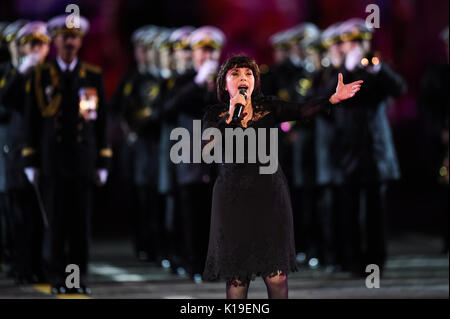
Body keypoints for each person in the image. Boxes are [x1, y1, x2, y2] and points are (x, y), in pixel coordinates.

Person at [202, 55, 363, 299]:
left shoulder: (268, 107)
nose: (243, 78)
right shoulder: (214, 115)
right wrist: (232, 116)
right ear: (224, 84)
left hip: (269, 195)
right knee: (237, 277)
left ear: (255, 82)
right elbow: (207, 148)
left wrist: (331, 99)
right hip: (232, 199)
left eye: (248, 74)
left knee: (276, 275)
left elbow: (301, 110)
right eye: (235, 74)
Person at [22, 14, 111, 294]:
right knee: (57, 226)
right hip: (52, 160)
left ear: (81, 40)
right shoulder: (41, 75)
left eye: (74, 37)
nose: (69, 42)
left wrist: (103, 159)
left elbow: (100, 121)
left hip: (82, 161)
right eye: (64, 37)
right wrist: (30, 158)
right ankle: (59, 279)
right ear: (55, 41)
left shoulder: (92, 75)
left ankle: (77, 280)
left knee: (79, 228)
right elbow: (31, 120)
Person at [332, 18, 406, 276]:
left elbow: (399, 88)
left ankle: (376, 263)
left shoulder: (376, 68)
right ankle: (354, 263)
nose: (356, 46)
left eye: (361, 41)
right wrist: (347, 71)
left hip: (374, 150)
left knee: (376, 212)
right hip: (348, 150)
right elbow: (324, 99)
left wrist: (378, 70)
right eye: (352, 41)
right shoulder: (337, 71)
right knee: (350, 211)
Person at [163, 25, 225, 282]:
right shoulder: (184, 79)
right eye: (202, 50)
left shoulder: (227, 79)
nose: (206, 56)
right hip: (189, 154)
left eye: (211, 51)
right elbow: (167, 108)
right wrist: (198, 82)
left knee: (218, 214)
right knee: (191, 213)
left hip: (219, 156)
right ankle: (193, 264)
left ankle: (216, 265)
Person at [0, 21, 50, 284]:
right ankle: (20, 266)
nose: (34, 50)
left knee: (39, 215)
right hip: (13, 153)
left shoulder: (48, 73)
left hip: (42, 153)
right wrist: (21, 73)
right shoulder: (9, 73)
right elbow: (4, 102)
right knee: (18, 214)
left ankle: (39, 265)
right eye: (29, 44)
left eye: (40, 44)